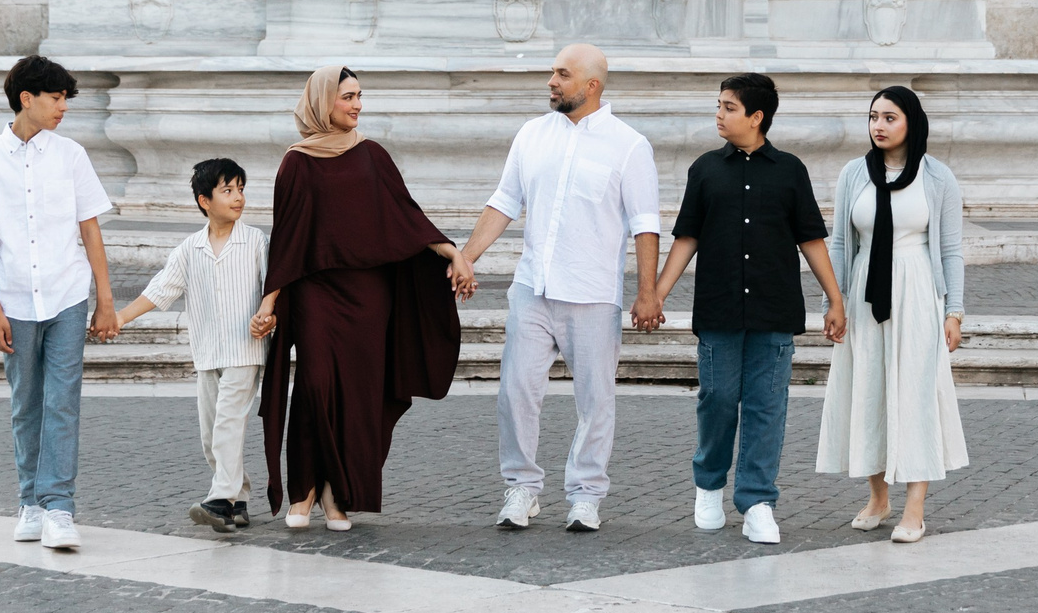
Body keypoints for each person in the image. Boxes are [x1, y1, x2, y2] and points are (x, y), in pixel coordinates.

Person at [255, 66, 473, 530]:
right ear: (322, 102)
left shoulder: (372, 156)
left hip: (369, 296)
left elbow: (406, 219)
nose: (356, 105)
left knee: (360, 394)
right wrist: (269, 301)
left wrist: (453, 251)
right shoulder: (297, 161)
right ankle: (304, 492)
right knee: (315, 386)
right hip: (315, 292)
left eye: (359, 97)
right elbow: (288, 238)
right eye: (347, 97)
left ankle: (337, 495)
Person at [457, 43, 662, 534]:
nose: (551, 81)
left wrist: (648, 292)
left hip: (593, 293)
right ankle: (522, 488)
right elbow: (504, 202)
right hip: (533, 288)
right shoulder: (531, 135)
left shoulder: (629, 145)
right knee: (515, 392)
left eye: (561, 74)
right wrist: (465, 257)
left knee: (596, 401)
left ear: (590, 86)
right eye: (552, 72)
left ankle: (587, 495)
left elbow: (645, 225)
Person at [654, 73, 845, 546]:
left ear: (757, 117)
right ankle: (709, 484)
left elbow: (811, 239)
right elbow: (687, 237)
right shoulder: (704, 169)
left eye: (728, 107)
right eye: (718, 105)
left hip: (774, 310)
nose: (718, 114)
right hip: (718, 310)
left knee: (766, 407)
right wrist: (655, 294)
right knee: (716, 401)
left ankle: (758, 500)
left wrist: (835, 299)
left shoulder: (790, 170)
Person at [0, 54, 119, 553]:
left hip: (68, 295)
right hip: (15, 300)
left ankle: (59, 507)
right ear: (27, 98)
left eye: (65, 98)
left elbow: (90, 228)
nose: (62, 107)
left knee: (62, 403)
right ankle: (30, 501)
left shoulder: (71, 155)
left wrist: (105, 300)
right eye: (55, 97)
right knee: (26, 404)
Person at [815, 84, 967, 544]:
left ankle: (915, 506)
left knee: (916, 392)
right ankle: (878, 497)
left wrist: (954, 311)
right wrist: (832, 303)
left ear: (911, 123)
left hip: (918, 290)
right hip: (863, 292)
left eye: (889, 118)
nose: (878, 126)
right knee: (869, 389)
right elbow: (841, 242)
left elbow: (952, 250)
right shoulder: (853, 174)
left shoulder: (937, 177)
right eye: (873, 117)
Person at [111, 157, 269, 534]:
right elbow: (159, 291)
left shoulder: (256, 242)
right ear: (204, 201)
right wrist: (118, 318)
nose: (238, 198)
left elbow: (274, 289)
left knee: (228, 424)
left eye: (241, 189)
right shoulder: (189, 249)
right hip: (207, 352)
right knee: (210, 433)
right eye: (227, 190)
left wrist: (270, 315)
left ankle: (220, 498)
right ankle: (239, 499)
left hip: (245, 351)